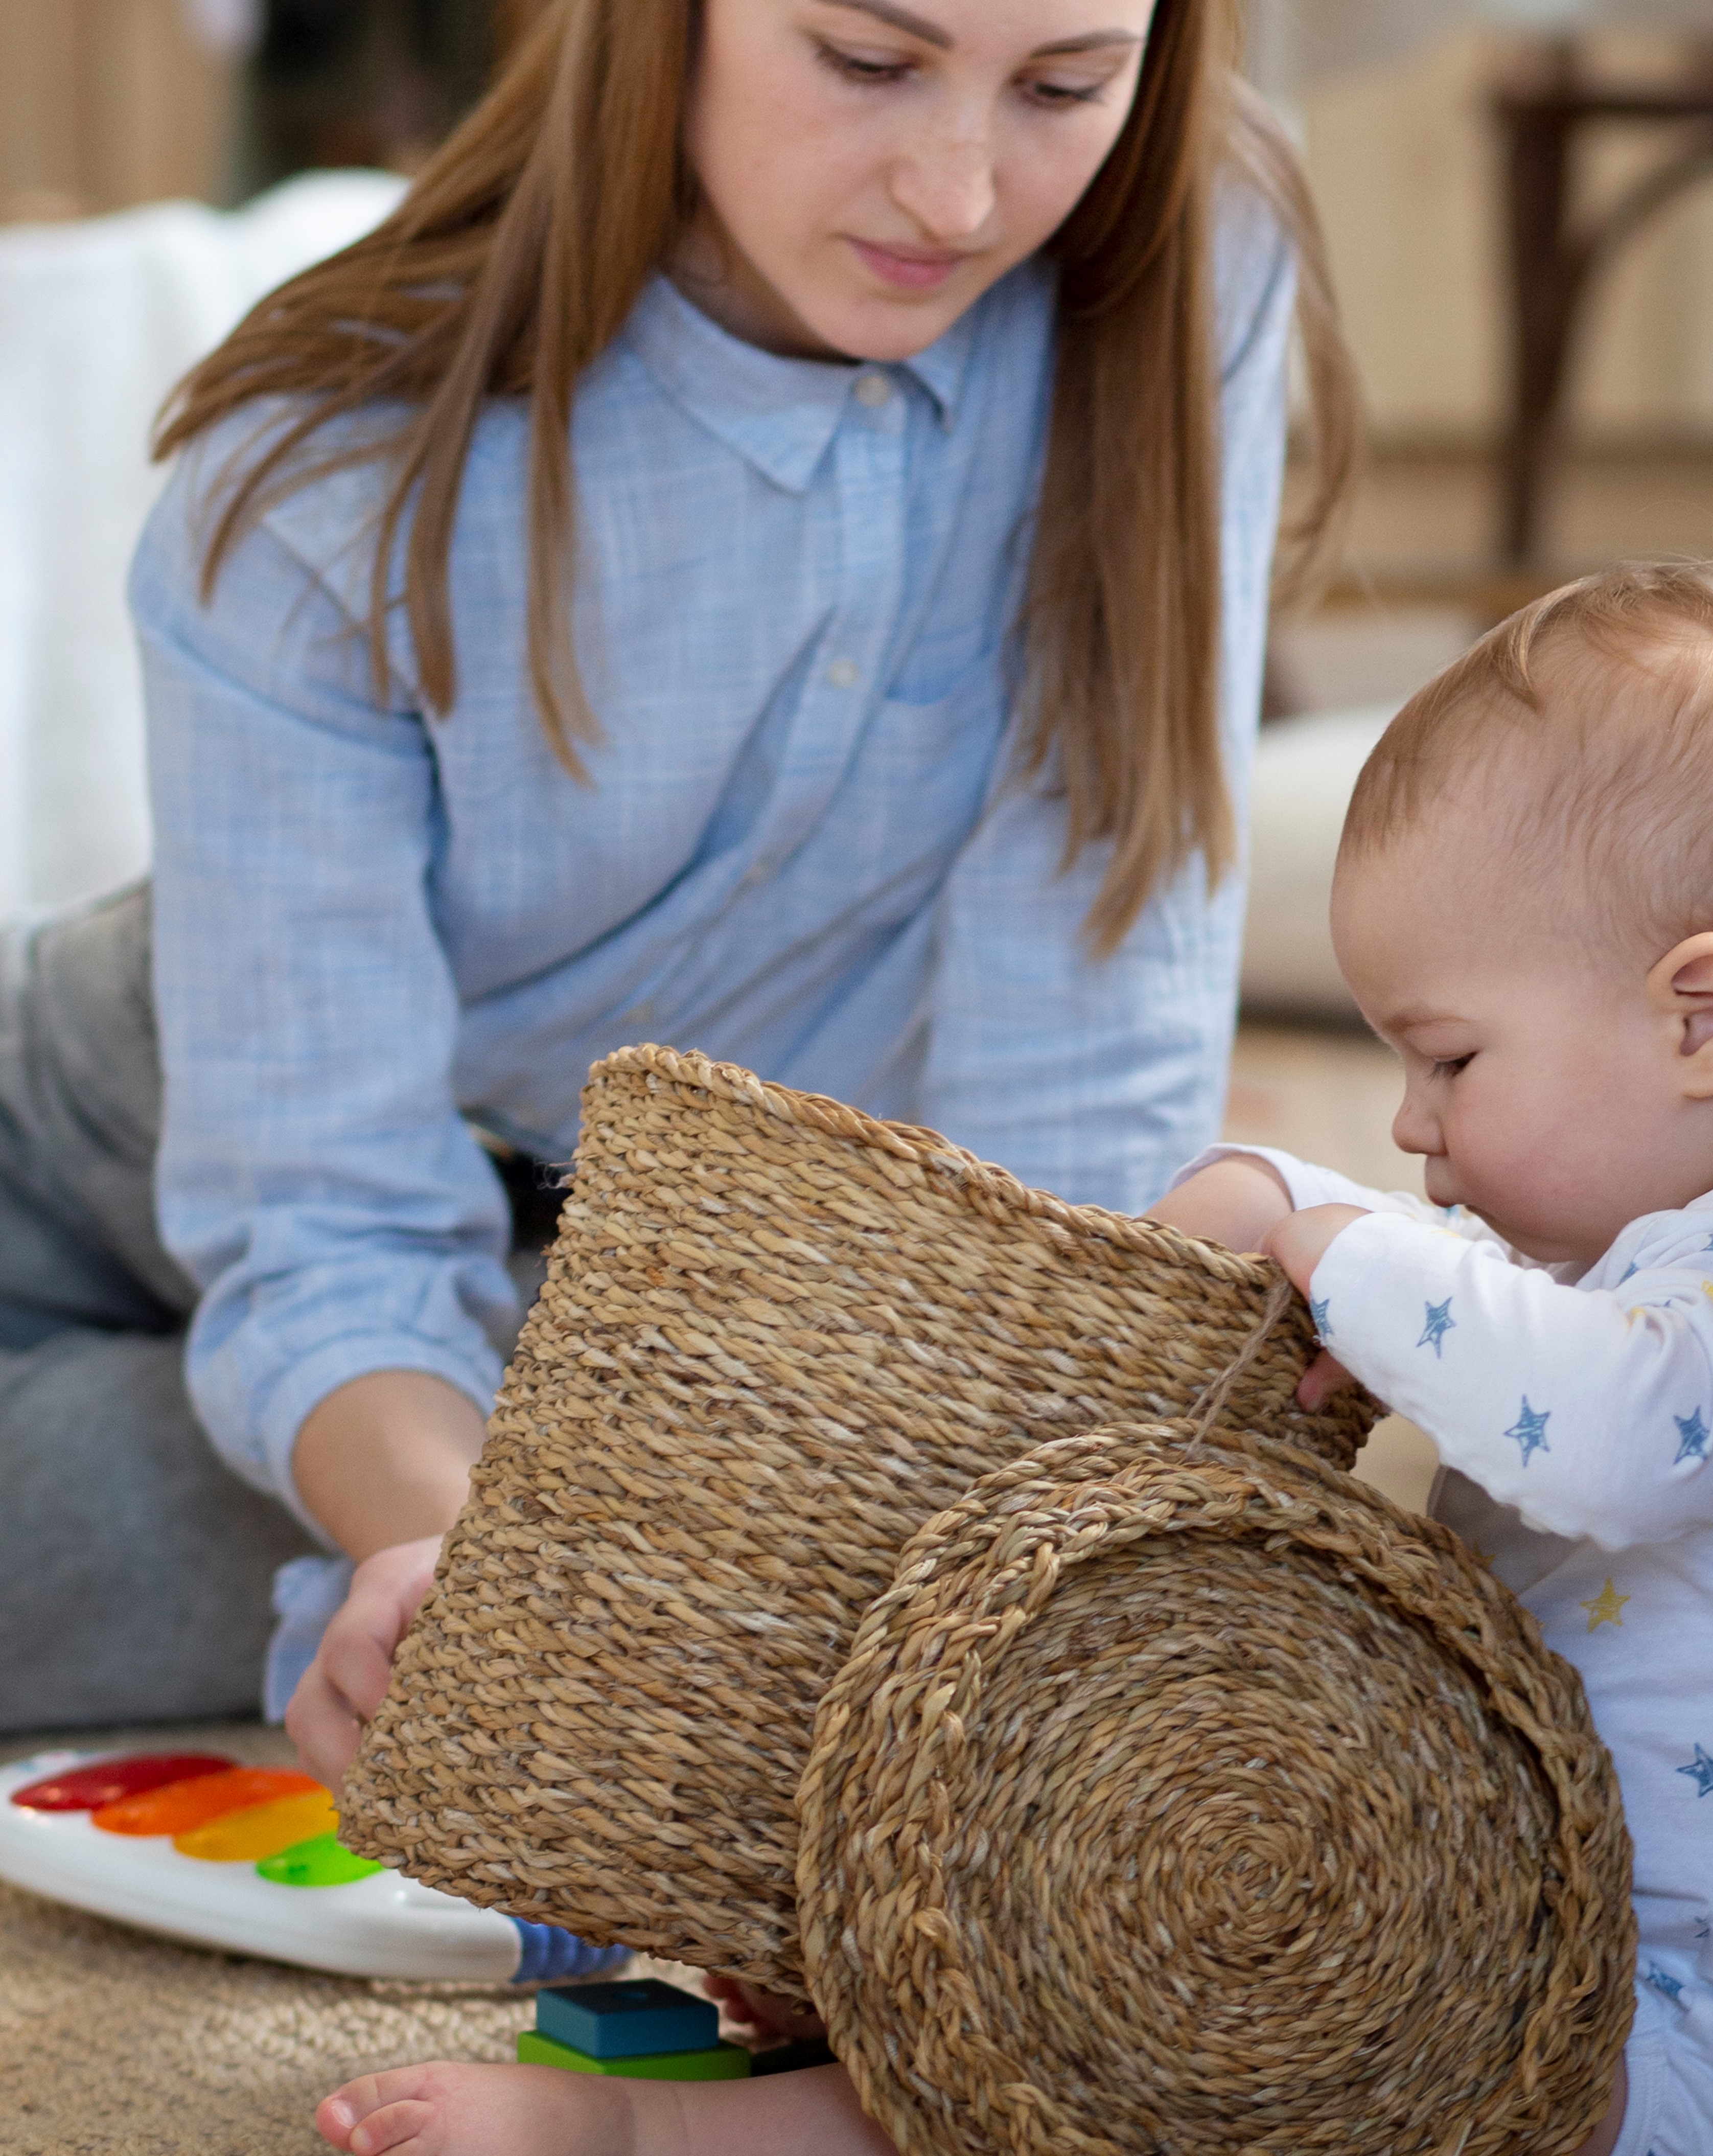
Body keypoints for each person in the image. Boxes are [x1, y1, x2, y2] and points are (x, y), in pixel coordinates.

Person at [311, 563, 1713, 2156]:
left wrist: (1343, 1245)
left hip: (1696, 2071)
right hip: (1554, 1962)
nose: (1413, 1126)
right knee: (1108, 1945)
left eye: (1450, 1059)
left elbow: (1603, 1431)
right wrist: (1295, 1216)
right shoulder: (1665, 1278)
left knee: (1140, 2063)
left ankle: (664, 2131)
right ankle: (843, 2022)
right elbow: (1547, 1350)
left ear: (1706, 1021)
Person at [0, 0, 1353, 1740]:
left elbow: (1080, 1066)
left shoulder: (1182, 258)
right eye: (868, 62)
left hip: (629, 1298)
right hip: (124, 1124)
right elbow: (320, 1212)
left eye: (1063, 85)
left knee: (621, 1618)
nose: (959, 195)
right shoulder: (328, 459)